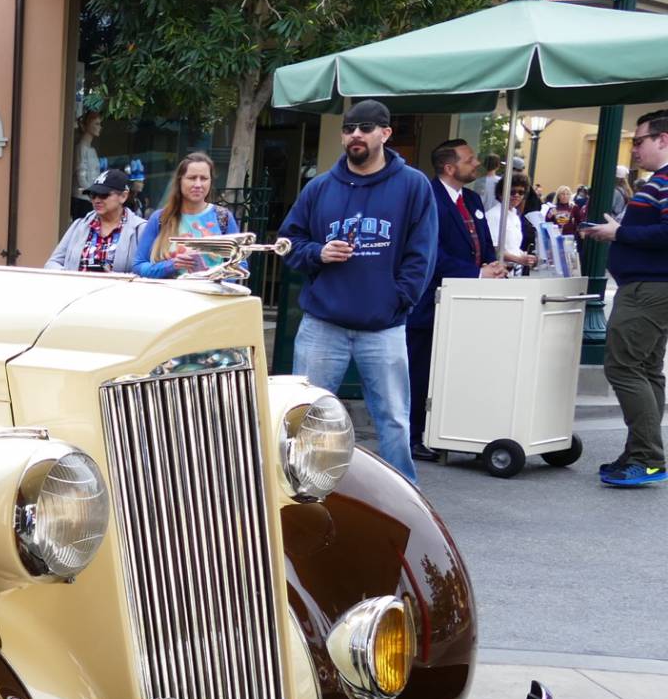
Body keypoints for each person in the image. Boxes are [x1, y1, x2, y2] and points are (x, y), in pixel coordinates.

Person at [277, 98, 438, 484]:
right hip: (323, 325)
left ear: (385, 133)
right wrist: (318, 252)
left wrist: (398, 300)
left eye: (365, 128)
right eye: (349, 128)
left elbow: (423, 254)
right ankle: (300, 491)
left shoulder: (413, 186)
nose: (355, 135)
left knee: (394, 421)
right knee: (304, 418)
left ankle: (406, 502)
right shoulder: (320, 188)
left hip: (383, 327)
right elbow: (288, 242)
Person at [581, 109, 668, 488]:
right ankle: (639, 452)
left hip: (648, 289)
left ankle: (648, 457)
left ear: (663, 139)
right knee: (646, 369)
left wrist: (618, 233)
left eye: (640, 140)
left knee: (624, 367)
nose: (634, 149)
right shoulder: (658, 181)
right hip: (649, 287)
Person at [413, 138, 504, 460]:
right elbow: (429, 254)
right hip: (430, 302)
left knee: (461, 368)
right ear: (450, 167)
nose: (476, 163)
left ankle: (455, 431)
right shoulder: (428, 199)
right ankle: (415, 436)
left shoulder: (473, 199)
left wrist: (491, 267)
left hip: (470, 303)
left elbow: (484, 243)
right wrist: (477, 273)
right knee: (423, 371)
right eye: (469, 159)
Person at [132, 152, 239, 278]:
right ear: (180, 181)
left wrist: (221, 284)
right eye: (192, 178)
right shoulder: (160, 218)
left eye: (204, 178)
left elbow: (239, 264)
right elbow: (138, 266)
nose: (198, 185)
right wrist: (171, 265)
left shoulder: (223, 217)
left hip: (211, 296)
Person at [46, 167, 145, 273]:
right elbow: (52, 263)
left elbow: (148, 271)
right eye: (92, 195)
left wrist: (117, 279)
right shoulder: (79, 225)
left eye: (104, 195)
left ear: (123, 196)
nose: (97, 200)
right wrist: (70, 277)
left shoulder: (140, 229)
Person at [486, 185, 540, 274]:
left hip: (514, 271)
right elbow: (494, 249)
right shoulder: (494, 215)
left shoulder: (514, 215)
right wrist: (519, 259)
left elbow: (513, 247)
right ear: (501, 193)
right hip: (498, 272)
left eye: (521, 192)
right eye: (512, 192)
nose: (517, 195)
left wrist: (527, 257)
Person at [73, 111, 104, 219]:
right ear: (87, 125)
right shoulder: (81, 148)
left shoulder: (92, 150)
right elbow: (81, 177)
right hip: (83, 200)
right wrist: (93, 195)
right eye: (96, 124)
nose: (99, 127)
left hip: (91, 199)